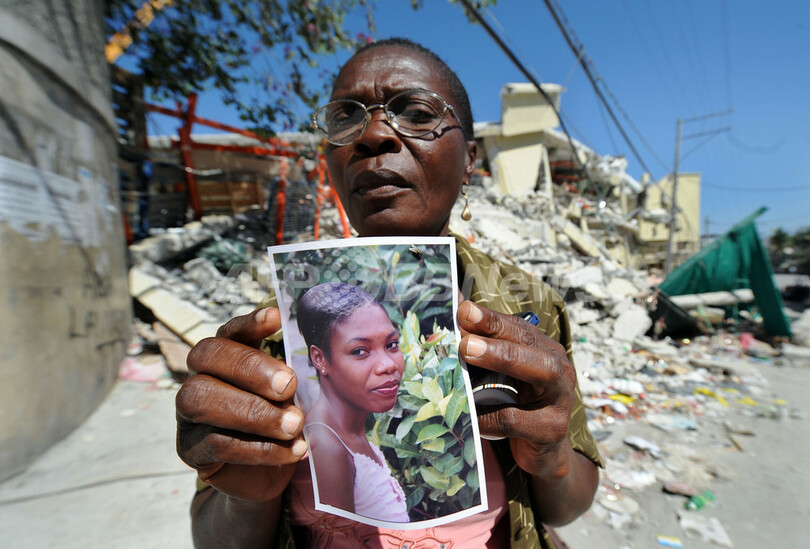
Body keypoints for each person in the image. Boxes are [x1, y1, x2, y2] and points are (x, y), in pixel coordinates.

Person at [176, 37, 603, 549]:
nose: (373, 134)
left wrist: (552, 457)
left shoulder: (528, 307)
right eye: (345, 119)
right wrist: (249, 494)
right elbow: (214, 538)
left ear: (469, 161)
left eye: (417, 112)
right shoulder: (278, 332)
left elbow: (569, 507)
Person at [296, 282, 409, 523]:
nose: (388, 365)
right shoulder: (327, 448)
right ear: (320, 358)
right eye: (360, 351)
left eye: (391, 345)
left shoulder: (347, 432)